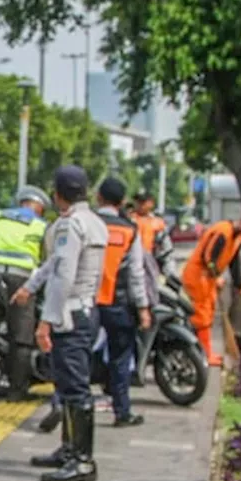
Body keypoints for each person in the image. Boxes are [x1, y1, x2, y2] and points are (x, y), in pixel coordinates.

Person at [10, 165, 108, 481]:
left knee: (76, 388)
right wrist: (30, 286)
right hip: (83, 311)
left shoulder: (70, 226)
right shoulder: (92, 222)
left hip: (70, 312)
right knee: (67, 385)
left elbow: (63, 276)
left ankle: (82, 460)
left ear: (58, 194)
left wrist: (45, 323)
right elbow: (53, 265)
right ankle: (68, 449)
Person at [0, 185, 50, 403]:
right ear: (39, 207)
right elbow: (46, 259)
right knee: (21, 337)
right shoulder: (40, 225)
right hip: (22, 279)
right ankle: (17, 390)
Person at [94, 177, 152, 427]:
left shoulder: (88, 224)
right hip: (118, 303)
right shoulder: (130, 229)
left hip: (87, 301)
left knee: (77, 355)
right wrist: (143, 307)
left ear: (98, 198)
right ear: (121, 202)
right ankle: (122, 411)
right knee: (120, 357)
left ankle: (62, 404)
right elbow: (136, 273)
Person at [181, 210, 241, 366]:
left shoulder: (238, 238)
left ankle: (203, 353)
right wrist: (216, 275)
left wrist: (240, 286)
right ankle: (202, 355)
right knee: (202, 316)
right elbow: (208, 258)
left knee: (208, 312)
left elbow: (234, 264)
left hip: (208, 278)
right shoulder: (223, 231)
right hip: (198, 276)